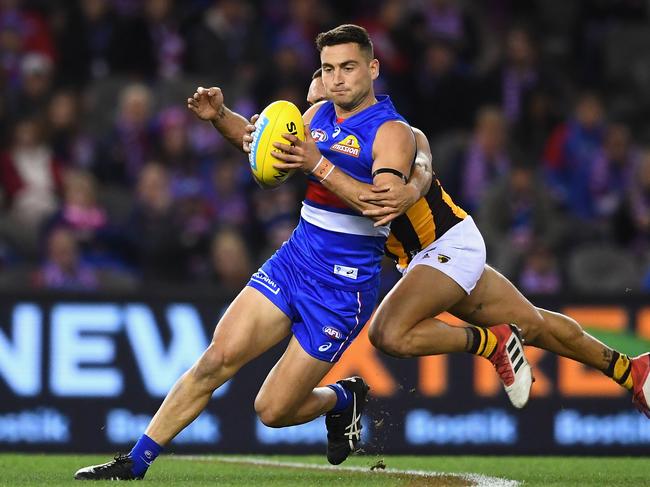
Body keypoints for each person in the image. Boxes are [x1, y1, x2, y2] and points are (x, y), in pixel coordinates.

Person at [74, 24, 417, 480]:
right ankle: (134, 462)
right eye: (328, 69)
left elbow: (383, 204)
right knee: (216, 358)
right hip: (295, 261)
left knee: (272, 410)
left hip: (343, 286)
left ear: (372, 68)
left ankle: (342, 398)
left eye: (348, 68)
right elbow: (259, 146)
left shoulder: (391, 132)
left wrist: (316, 163)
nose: (337, 79)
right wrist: (220, 116)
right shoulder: (317, 117)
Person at [269, 70, 650, 420]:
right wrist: (227, 121)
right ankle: (631, 371)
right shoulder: (319, 148)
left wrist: (411, 189)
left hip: (447, 245)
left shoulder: (396, 133)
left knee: (388, 333)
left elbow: (422, 166)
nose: (316, 108)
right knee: (532, 325)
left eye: (323, 96)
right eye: (314, 99)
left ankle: (491, 343)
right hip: (424, 259)